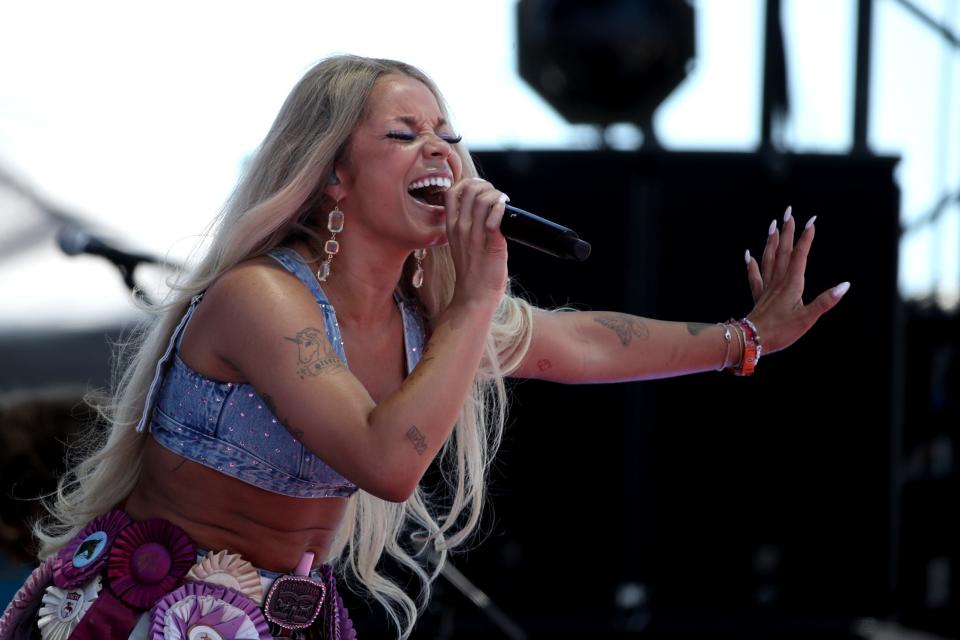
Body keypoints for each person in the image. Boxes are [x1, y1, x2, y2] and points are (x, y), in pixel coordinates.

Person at [0, 54, 849, 640]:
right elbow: (387, 463)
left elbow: (583, 341)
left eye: (444, 130)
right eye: (403, 135)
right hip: (154, 611)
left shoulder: (422, 318)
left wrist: (747, 340)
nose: (440, 148)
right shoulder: (260, 298)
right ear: (332, 174)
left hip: (279, 613)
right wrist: (480, 296)